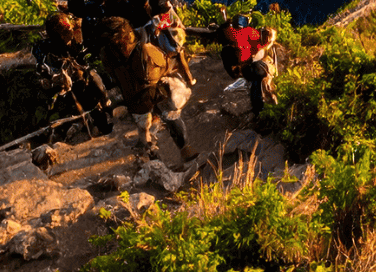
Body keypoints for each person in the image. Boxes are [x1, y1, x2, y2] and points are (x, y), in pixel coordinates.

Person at [98, 16, 197, 161]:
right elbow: (163, 63)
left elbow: (114, 77)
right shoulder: (143, 48)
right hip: (154, 91)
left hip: (135, 96)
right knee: (170, 117)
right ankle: (184, 151)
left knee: (145, 129)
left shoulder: (107, 54)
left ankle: (157, 161)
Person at [33, 12, 112, 135]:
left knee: (97, 83)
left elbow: (83, 55)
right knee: (88, 99)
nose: (69, 33)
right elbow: (43, 65)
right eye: (65, 31)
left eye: (69, 29)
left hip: (80, 75)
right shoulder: (45, 48)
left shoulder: (73, 42)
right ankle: (101, 124)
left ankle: (106, 109)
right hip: (66, 83)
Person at [244, 27, 281, 116]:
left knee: (260, 87)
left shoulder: (271, 48)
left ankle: (262, 110)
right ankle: (260, 110)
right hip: (262, 72)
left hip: (263, 72)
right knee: (258, 87)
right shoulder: (263, 47)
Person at [218, 13, 262, 79]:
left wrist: (225, 22)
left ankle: (233, 75)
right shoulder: (251, 31)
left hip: (238, 58)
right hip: (249, 58)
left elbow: (223, 35)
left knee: (224, 51)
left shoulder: (232, 31)